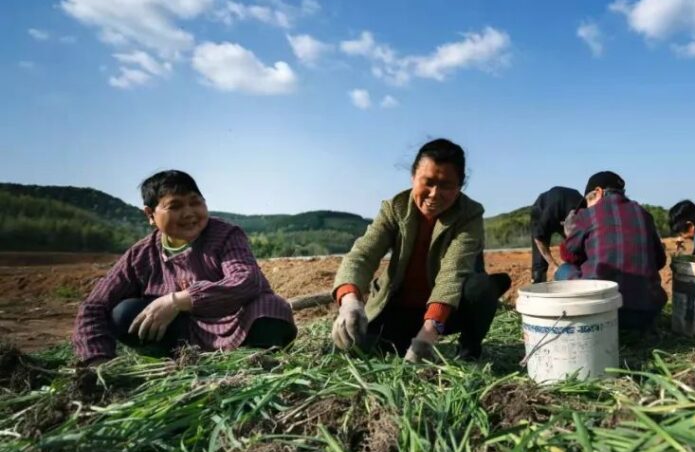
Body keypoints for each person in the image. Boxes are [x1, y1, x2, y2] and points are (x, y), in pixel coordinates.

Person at [72, 170, 297, 365]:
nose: (189, 213)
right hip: (179, 337)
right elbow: (94, 306)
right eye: (175, 206)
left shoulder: (226, 235)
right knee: (123, 313)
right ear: (150, 215)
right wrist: (96, 360)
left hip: (236, 325)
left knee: (272, 307)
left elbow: (245, 281)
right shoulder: (140, 255)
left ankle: (250, 358)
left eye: (195, 202)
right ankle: (178, 360)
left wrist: (178, 300)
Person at [331, 139, 512, 362]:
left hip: (445, 312)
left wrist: (428, 333)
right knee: (358, 349)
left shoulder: (469, 215)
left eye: (446, 185)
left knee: (482, 287)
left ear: (460, 186)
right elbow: (363, 255)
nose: (434, 194)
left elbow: (453, 272)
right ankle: (399, 338)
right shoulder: (394, 209)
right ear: (413, 177)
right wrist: (350, 301)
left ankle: (468, 355)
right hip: (396, 310)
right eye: (427, 182)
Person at [555, 171, 667, 331]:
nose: (587, 205)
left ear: (599, 192)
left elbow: (568, 256)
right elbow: (660, 261)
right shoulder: (644, 214)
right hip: (648, 312)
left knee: (563, 270)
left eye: (588, 200)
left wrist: (569, 234)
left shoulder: (587, 215)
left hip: (603, 314)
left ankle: (572, 323)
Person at [529, 186, 583, 283]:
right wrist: (553, 265)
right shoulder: (548, 214)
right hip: (542, 209)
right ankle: (538, 279)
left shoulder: (585, 210)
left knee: (579, 253)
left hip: (566, 208)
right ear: (563, 224)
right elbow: (538, 239)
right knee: (539, 264)